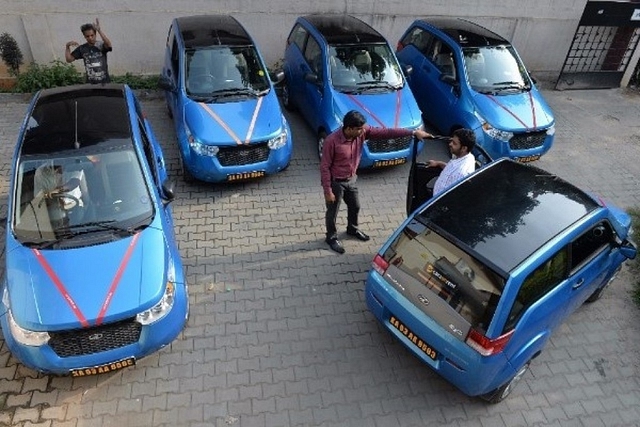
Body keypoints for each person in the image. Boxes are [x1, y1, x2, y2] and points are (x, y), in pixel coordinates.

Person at [320, 110, 433, 254]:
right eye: (359, 129)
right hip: (336, 182)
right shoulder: (332, 141)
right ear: (349, 128)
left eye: (363, 128)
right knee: (333, 211)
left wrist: (412, 133)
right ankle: (331, 237)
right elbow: (324, 167)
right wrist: (327, 191)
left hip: (351, 179)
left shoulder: (362, 132)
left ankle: (352, 230)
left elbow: (386, 132)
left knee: (355, 206)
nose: (363, 131)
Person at [427, 128, 476, 196]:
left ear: (464, 148)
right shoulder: (466, 156)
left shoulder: (462, 174)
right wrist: (438, 163)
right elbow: (451, 170)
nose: (450, 144)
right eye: (451, 141)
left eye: (454, 143)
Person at [65, 18, 112, 84]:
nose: (90, 38)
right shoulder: (82, 48)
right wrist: (67, 47)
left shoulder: (101, 45)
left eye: (92, 35)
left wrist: (99, 31)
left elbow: (109, 45)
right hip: (90, 84)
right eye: (87, 36)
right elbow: (69, 59)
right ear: (84, 36)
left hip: (105, 83)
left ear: (95, 35)